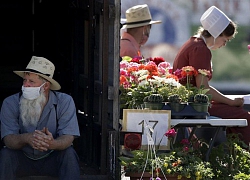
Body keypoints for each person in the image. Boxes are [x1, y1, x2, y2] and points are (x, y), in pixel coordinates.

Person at [173, 6, 250, 146]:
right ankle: (243, 160)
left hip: (187, 102)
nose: (223, 44)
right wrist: (230, 101)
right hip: (191, 105)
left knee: (234, 111)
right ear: (216, 33)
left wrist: (227, 101)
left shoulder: (193, 43)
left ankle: (233, 158)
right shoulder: (201, 49)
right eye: (225, 40)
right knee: (244, 116)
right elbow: (204, 90)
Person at [0, 56, 80, 179]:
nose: (26, 85)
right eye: (24, 80)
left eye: (31, 82)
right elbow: (8, 139)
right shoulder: (10, 102)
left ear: (45, 86)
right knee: (6, 154)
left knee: (69, 154)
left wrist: (51, 143)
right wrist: (27, 138)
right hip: (23, 158)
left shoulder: (64, 101)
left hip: (52, 158)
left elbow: (68, 136)